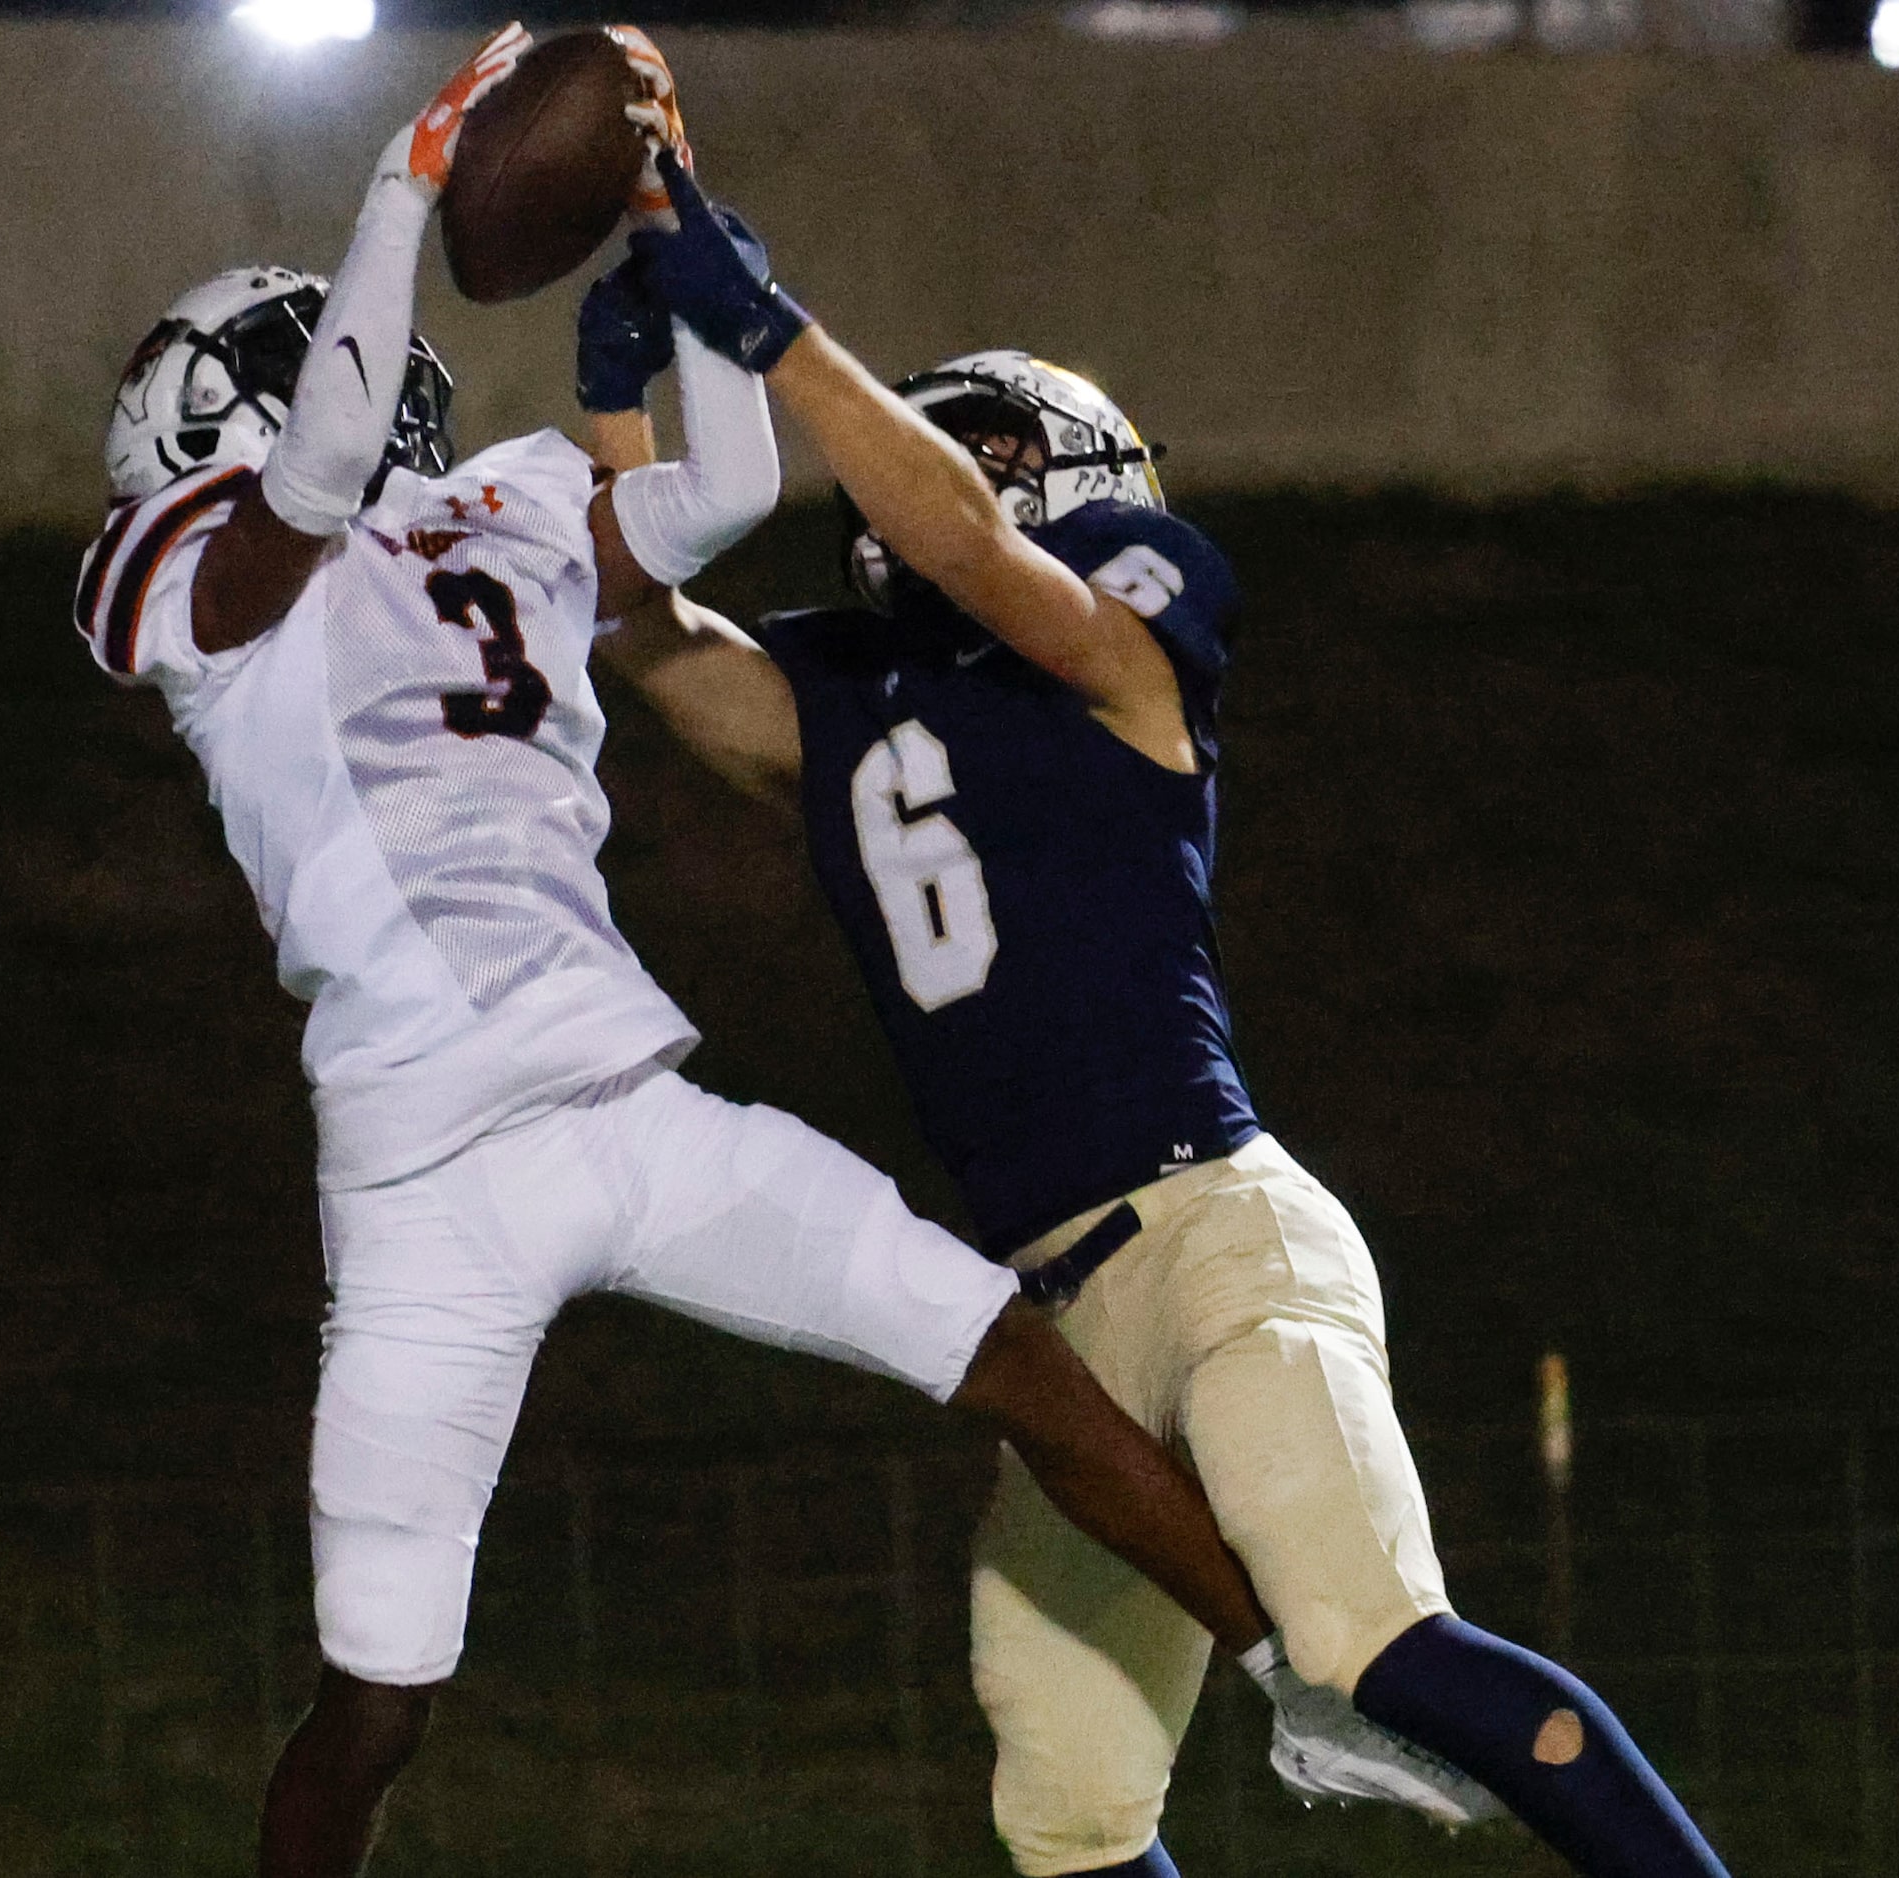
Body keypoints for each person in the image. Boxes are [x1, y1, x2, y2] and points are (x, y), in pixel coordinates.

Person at [71, 29, 1431, 1878]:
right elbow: (311, 490)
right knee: (376, 1701)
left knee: (1019, 1362)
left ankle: (1312, 1691)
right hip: (422, 1173)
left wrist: (676, 266)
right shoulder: (196, 585)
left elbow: (712, 495)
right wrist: (406, 188)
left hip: (627, 1099)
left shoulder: (501, 508)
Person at [589, 152, 1735, 1878]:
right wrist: (619, 398)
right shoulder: (862, 694)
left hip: (1216, 1237)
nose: (915, 480)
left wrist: (771, 335)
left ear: (1070, 473)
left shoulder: (1133, 609)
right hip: (1061, 1316)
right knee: (1064, 1809)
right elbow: (642, 629)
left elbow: (969, 542)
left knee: (1372, 1649)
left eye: (968, 443)